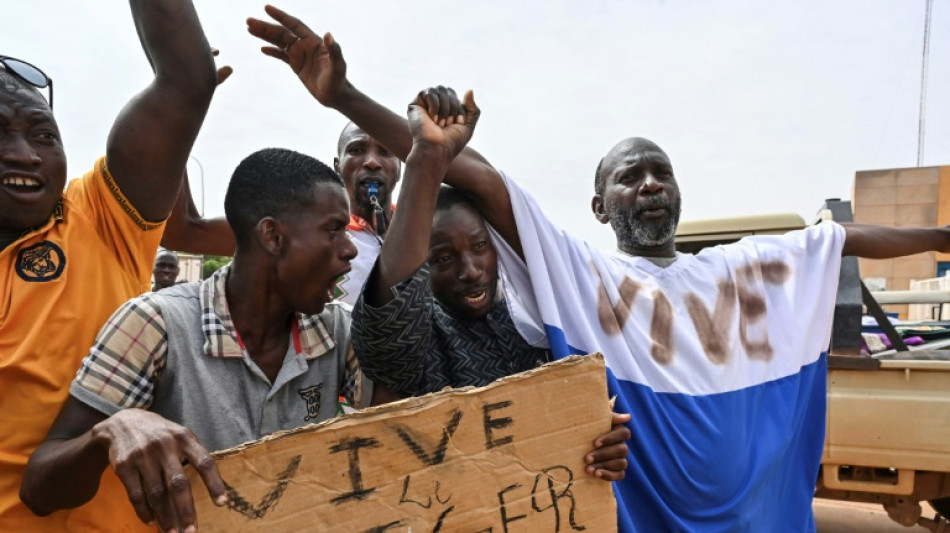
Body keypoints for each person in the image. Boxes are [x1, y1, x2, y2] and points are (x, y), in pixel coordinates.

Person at [247, 9, 950, 531]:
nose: (649, 185)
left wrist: (942, 233)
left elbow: (841, 237)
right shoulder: (579, 277)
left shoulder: (743, 268)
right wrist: (350, 100)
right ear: (598, 204)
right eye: (629, 176)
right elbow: (477, 183)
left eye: (660, 172)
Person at [21, 148, 394, 533]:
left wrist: (427, 163)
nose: (350, 250)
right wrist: (112, 430)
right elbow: (39, 489)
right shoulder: (156, 324)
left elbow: (399, 430)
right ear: (272, 236)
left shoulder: (336, 329)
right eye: (333, 231)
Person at [0, 1, 216, 530]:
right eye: (0, 133)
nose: (26, 154)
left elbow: (186, 79)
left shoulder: (100, 217)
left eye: (44, 135)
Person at [333, 122, 400, 304]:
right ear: (337, 167)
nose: (372, 162)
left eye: (385, 151)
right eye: (356, 150)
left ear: (399, 168)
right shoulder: (320, 239)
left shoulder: (423, 229)